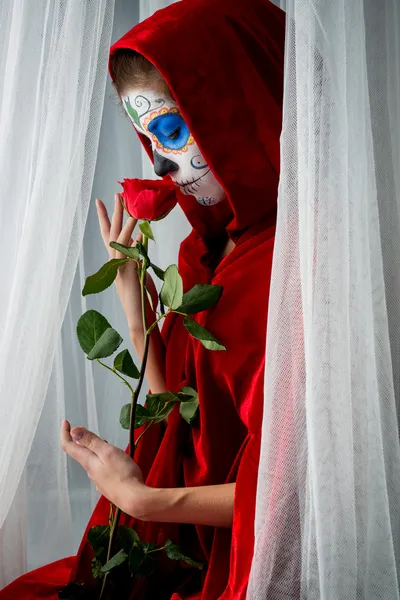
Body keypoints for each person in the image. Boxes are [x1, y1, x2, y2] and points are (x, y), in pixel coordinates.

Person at [0, 0, 285, 598]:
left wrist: (140, 499)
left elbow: (291, 493)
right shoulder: (205, 253)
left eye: (173, 129)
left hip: (241, 564)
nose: (157, 162)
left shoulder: (290, 272)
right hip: (188, 547)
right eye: (146, 137)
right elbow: (185, 424)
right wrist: (134, 303)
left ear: (234, 108)